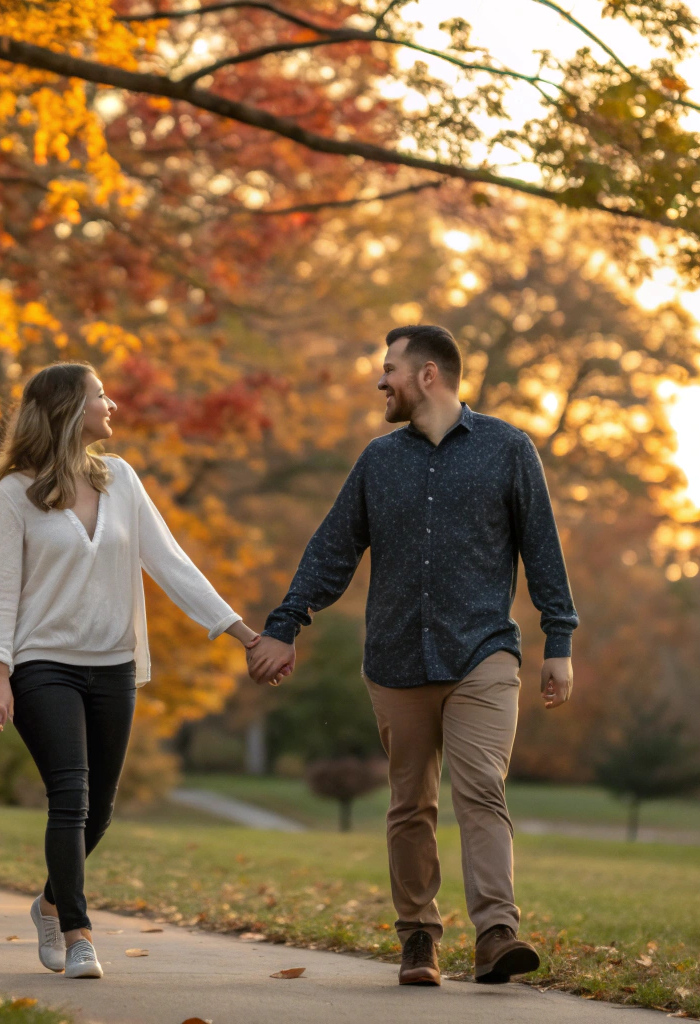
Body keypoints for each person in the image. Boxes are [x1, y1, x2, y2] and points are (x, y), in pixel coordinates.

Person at [247, 324, 577, 988]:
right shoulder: (378, 460)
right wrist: (286, 624)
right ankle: (419, 938)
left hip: (483, 653)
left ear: (428, 375)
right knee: (410, 804)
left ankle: (496, 934)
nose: (381, 381)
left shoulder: (508, 450)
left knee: (480, 789)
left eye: (389, 368)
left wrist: (559, 642)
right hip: (396, 658)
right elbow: (332, 549)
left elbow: (542, 549)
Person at [0, 362, 260, 980]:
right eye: (102, 397)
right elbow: (0, 591)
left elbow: (172, 564)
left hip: (112, 666)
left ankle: (49, 903)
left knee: (98, 811)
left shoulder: (122, 480)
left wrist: (241, 632)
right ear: (70, 410)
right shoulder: (14, 492)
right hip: (41, 663)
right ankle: (78, 933)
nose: (113, 407)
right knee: (70, 797)